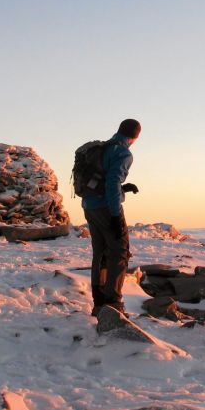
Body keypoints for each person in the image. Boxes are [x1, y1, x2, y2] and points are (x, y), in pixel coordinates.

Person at [82, 118, 141, 316]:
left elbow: (104, 180)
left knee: (100, 253)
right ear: (136, 136)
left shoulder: (103, 148)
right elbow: (112, 182)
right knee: (119, 252)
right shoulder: (123, 153)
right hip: (106, 208)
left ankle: (99, 303)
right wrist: (116, 215)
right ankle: (113, 303)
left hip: (89, 207)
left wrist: (124, 188)